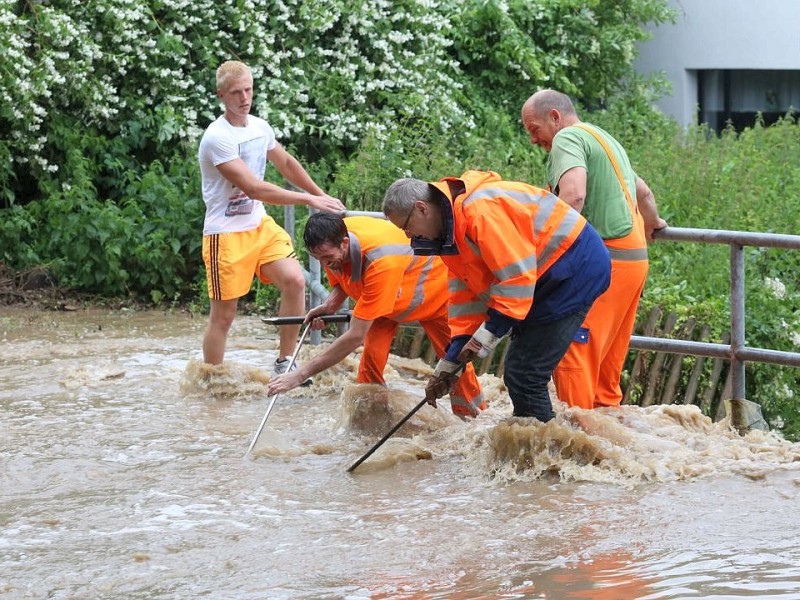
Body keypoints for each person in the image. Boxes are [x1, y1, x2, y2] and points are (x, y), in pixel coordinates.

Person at [382, 170, 611, 423]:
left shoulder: (480, 212)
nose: (409, 236)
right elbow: (466, 302)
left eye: (406, 227)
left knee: (525, 373)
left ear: (422, 208)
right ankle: (533, 445)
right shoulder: (451, 236)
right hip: (545, 280)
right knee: (520, 371)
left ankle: (544, 453)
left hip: (574, 270)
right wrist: (450, 362)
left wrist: (485, 337)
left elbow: (516, 279)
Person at [521, 89, 668, 410]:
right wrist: (653, 224)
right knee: (604, 375)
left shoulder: (568, 139)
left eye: (534, 129)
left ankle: (577, 448)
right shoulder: (604, 139)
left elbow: (573, 195)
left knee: (573, 354)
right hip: (633, 263)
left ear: (555, 117)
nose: (534, 139)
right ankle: (608, 446)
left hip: (602, 265)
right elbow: (643, 192)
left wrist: (542, 255)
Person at [197, 60, 345, 376]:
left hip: (259, 226)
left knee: (294, 280)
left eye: (248, 89)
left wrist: (320, 197)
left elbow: (286, 163)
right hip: (225, 234)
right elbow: (253, 187)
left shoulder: (260, 127)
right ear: (221, 95)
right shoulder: (217, 137)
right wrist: (307, 199)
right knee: (223, 316)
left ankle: (284, 362)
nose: (244, 98)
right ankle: (211, 380)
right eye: (236, 92)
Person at [266, 213, 485, 418]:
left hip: (434, 296)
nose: (325, 265)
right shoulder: (335, 240)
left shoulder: (381, 261)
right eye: (318, 258)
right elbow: (344, 275)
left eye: (327, 258)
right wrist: (330, 304)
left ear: (343, 242)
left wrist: (299, 375)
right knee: (369, 370)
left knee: (454, 362)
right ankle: (372, 425)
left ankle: (475, 421)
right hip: (386, 301)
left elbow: (354, 336)